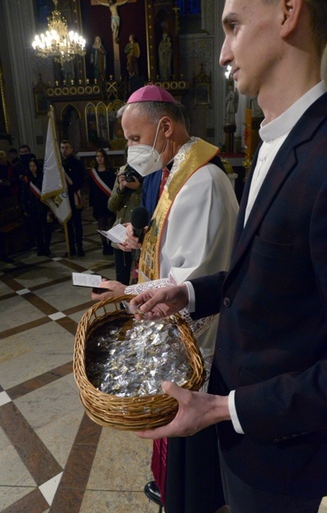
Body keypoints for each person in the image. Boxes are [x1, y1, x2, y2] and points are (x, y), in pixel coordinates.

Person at [127, 0, 327, 513]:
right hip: (241, 433)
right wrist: (190, 291)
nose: (221, 53)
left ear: (289, 11)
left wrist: (225, 407)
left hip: (281, 450)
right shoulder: (272, 144)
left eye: (233, 26)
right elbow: (270, 278)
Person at [92, 84, 239, 512]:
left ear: (165, 127)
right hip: (176, 335)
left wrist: (127, 290)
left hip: (201, 349)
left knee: (195, 480)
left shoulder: (203, 182)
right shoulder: (178, 173)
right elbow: (172, 250)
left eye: (135, 139)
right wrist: (139, 249)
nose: (130, 149)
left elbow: (189, 281)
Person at [107, 163, 143, 282]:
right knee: (121, 277)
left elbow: (152, 204)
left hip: (140, 233)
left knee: (139, 278)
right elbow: (111, 206)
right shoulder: (122, 171)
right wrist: (120, 189)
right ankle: (122, 300)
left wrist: (138, 188)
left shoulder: (150, 173)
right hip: (121, 233)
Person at [20, 158, 52, 256]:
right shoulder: (26, 179)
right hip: (32, 207)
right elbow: (23, 194)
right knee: (37, 229)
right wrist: (24, 208)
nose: (32, 168)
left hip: (43, 206)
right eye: (30, 166)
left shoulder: (43, 178)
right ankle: (40, 247)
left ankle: (46, 246)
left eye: (34, 165)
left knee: (46, 228)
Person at [88, 148, 116, 255]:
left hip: (108, 200)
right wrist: (91, 203)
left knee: (110, 221)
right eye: (97, 156)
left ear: (105, 157)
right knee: (101, 223)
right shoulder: (93, 173)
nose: (99, 159)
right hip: (98, 201)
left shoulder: (111, 172)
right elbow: (91, 189)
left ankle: (110, 243)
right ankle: (104, 244)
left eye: (101, 156)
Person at [60, 140, 85, 257]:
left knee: (77, 224)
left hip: (74, 197)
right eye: (62, 148)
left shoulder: (77, 163)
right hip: (64, 198)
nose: (64, 150)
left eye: (66, 148)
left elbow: (82, 179)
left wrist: (72, 188)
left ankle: (79, 247)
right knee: (67, 224)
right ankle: (70, 248)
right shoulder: (59, 165)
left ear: (71, 149)